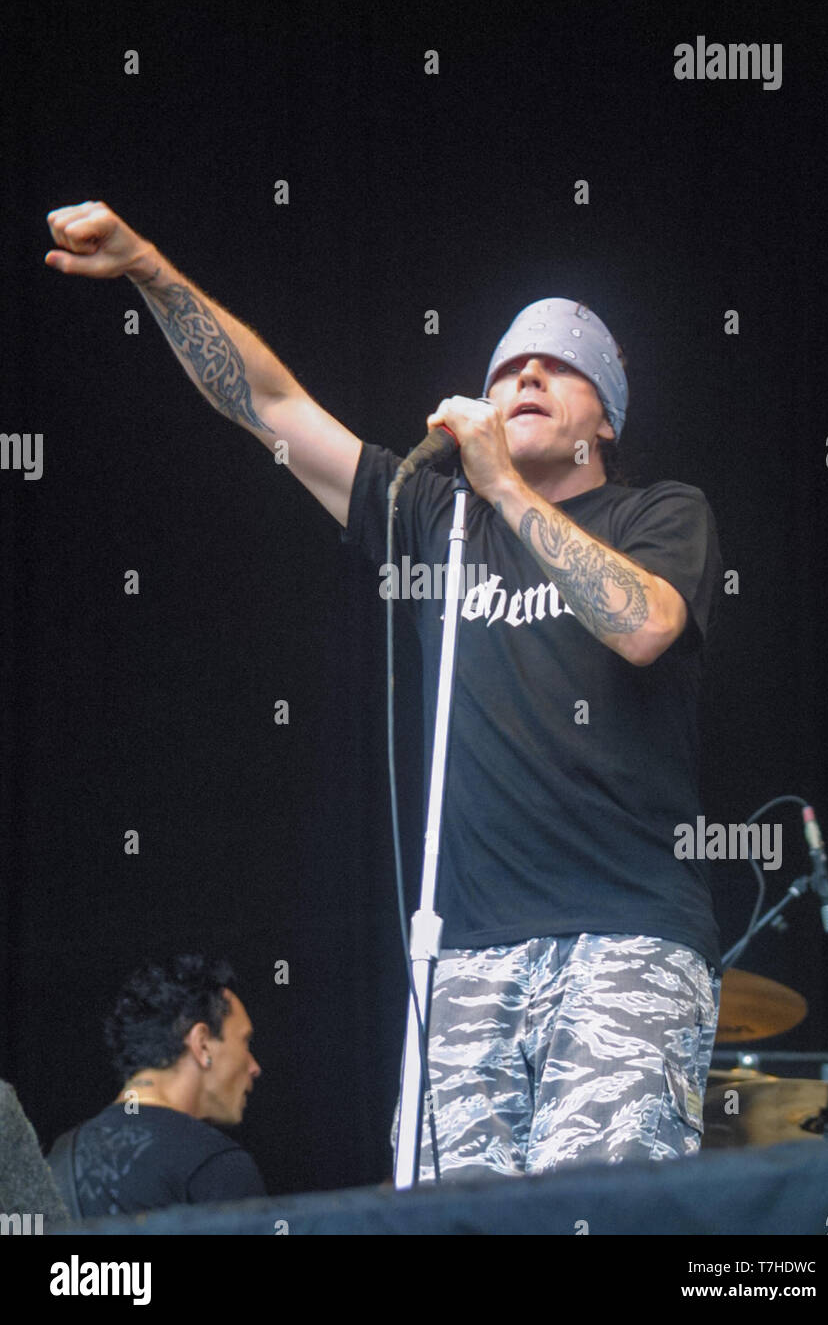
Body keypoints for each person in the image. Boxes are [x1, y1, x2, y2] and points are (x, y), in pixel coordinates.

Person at [44, 203, 722, 1181]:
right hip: (463, 957)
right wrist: (152, 270)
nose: (522, 374)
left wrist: (505, 489)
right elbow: (270, 407)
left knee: (605, 1211)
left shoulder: (658, 512)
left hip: (623, 937)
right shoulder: (432, 519)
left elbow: (643, 623)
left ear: (605, 417)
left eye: (556, 364)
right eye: (505, 366)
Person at [47, 955, 264, 1216]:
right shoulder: (216, 1166)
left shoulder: (56, 1162)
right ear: (202, 1043)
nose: (254, 1067)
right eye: (245, 1042)